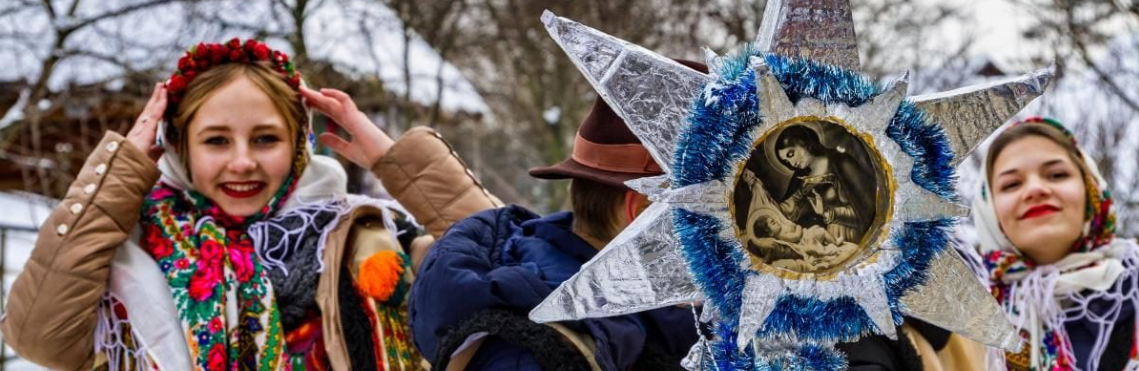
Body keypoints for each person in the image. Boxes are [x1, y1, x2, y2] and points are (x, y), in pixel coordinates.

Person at [1, 38, 499, 370]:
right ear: (177, 146)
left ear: (299, 144)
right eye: (216, 141)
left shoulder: (368, 235)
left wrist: (399, 162)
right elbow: (37, 337)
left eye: (265, 139)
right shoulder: (130, 250)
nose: (242, 163)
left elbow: (510, 273)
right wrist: (119, 172)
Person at [407, 83, 706, 370]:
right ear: (640, 211)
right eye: (711, 214)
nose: (733, 247)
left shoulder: (642, 315)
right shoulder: (527, 358)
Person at [973, 117, 1138, 370]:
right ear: (988, 210)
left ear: (1091, 189)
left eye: (1057, 174)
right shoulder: (960, 320)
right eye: (1012, 184)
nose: (1035, 189)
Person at [774, 124, 873, 244]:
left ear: (804, 143)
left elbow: (865, 211)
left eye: (791, 154)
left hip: (847, 236)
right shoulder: (800, 180)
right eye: (786, 161)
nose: (792, 163)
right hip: (819, 239)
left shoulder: (841, 164)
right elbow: (789, 209)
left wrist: (827, 212)